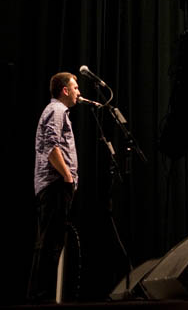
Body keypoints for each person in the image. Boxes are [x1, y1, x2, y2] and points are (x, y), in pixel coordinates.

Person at [27, 72, 80, 303]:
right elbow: (51, 146)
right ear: (65, 90)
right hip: (55, 185)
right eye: (75, 87)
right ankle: (41, 298)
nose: (79, 92)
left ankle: (39, 297)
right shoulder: (57, 110)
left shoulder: (57, 111)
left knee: (50, 243)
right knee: (50, 244)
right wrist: (67, 177)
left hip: (54, 185)